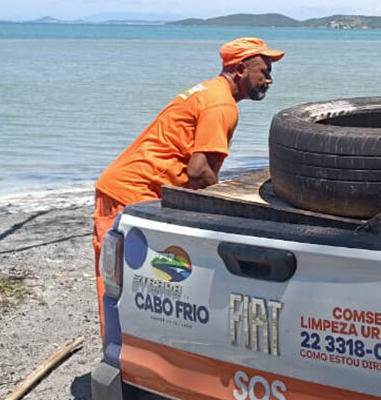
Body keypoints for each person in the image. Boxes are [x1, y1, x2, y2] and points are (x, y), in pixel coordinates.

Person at [92, 37, 285, 336]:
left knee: (154, 281)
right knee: (124, 288)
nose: (270, 79)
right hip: (131, 192)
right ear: (238, 70)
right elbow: (199, 171)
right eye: (264, 71)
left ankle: (144, 352)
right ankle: (119, 361)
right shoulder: (221, 104)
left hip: (140, 189)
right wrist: (230, 208)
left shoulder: (209, 92)